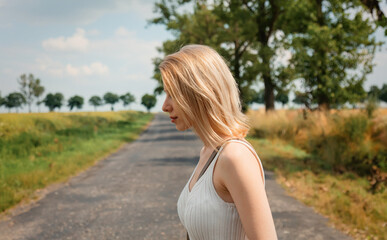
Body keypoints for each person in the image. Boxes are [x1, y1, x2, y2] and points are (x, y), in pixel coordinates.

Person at [160, 44, 277, 240]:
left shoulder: (235, 156)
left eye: (173, 94)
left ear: (199, 93)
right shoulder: (208, 152)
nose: (165, 106)